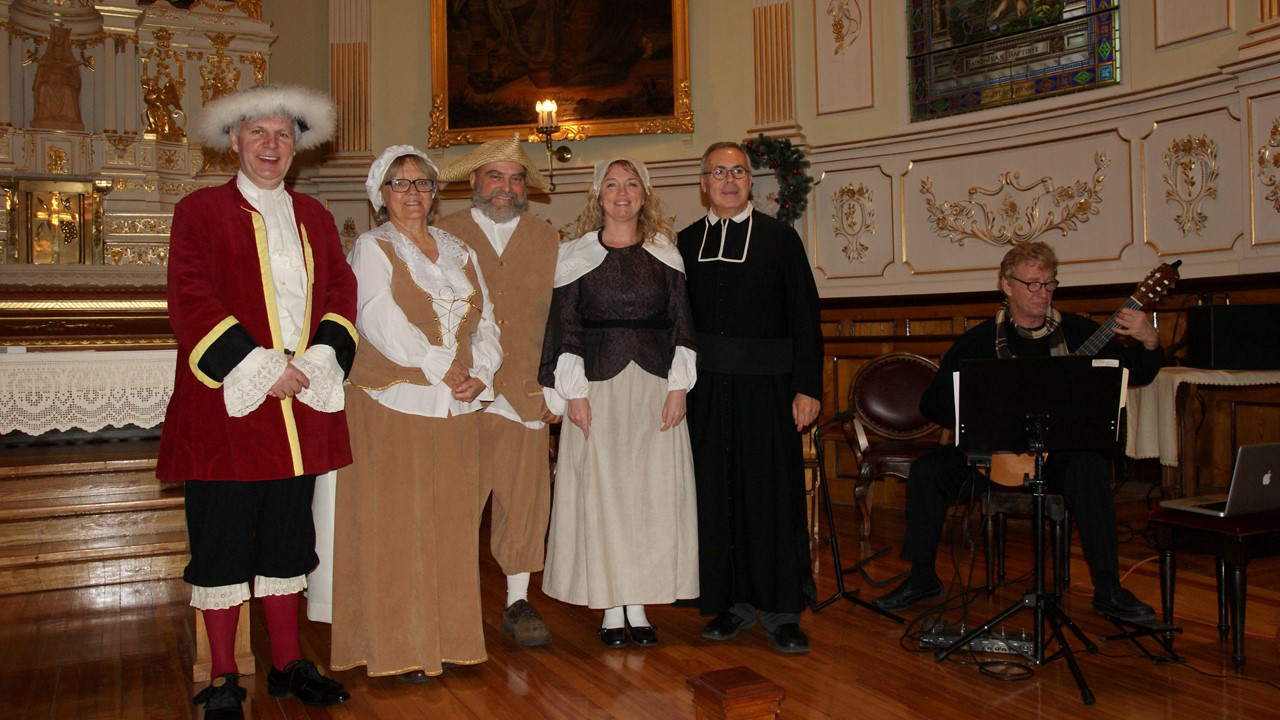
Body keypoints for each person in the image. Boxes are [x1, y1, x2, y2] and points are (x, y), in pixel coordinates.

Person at [158, 84, 353, 720]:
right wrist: (261, 367)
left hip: (299, 407)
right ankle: (222, 675)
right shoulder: (199, 211)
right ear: (233, 141)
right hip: (228, 406)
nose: (271, 145)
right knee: (220, 541)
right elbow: (191, 298)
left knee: (289, 539)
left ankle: (288, 664)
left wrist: (315, 363)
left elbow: (340, 293)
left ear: (297, 147)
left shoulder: (315, 216)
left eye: (283, 135)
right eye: (258, 133)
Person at [871, 240, 1163, 623]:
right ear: (1007, 285)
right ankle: (922, 578)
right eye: (1032, 284)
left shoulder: (1079, 332)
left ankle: (1108, 589)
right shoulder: (977, 342)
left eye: (1050, 284)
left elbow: (1138, 373)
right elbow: (934, 402)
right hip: (993, 457)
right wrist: (980, 410)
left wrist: (1149, 340)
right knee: (928, 473)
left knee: (1090, 467)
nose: (1043, 293)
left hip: (1057, 458)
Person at [329, 146, 501, 681]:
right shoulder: (372, 247)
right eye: (399, 183)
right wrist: (443, 366)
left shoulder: (460, 250)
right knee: (397, 527)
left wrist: (483, 372)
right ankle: (399, 646)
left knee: (452, 524)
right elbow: (376, 316)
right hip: (394, 401)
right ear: (380, 195)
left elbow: (487, 322)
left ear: (434, 192)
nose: (412, 193)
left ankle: (450, 641)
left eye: (422, 183)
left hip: (455, 405)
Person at [539, 158, 699, 648]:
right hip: (597, 388)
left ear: (644, 194)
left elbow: (682, 325)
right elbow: (566, 329)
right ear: (598, 195)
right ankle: (611, 607)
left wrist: (678, 387)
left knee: (649, 497)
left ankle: (639, 603)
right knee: (604, 496)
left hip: (655, 388)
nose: (622, 193)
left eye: (631, 184)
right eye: (612, 184)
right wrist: (574, 394)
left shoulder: (665, 254)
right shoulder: (575, 255)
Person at [677, 141, 823, 655]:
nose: (729, 180)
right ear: (704, 183)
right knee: (716, 496)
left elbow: (805, 315)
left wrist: (808, 386)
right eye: (719, 172)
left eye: (738, 172)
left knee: (771, 498)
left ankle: (783, 611)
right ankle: (731, 604)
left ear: (750, 182)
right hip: (706, 392)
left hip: (769, 390)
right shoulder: (684, 243)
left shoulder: (780, 239)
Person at [435, 135, 559, 648]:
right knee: (454, 501)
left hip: (526, 391)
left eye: (515, 179)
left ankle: (517, 600)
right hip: (463, 390)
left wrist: (557, 387)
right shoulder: (442, 235)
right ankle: (448, 603)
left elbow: (562, 320)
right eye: (495, 177)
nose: (506, 188)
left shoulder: (549, 239)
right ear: (474, 182)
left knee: (525, 501)